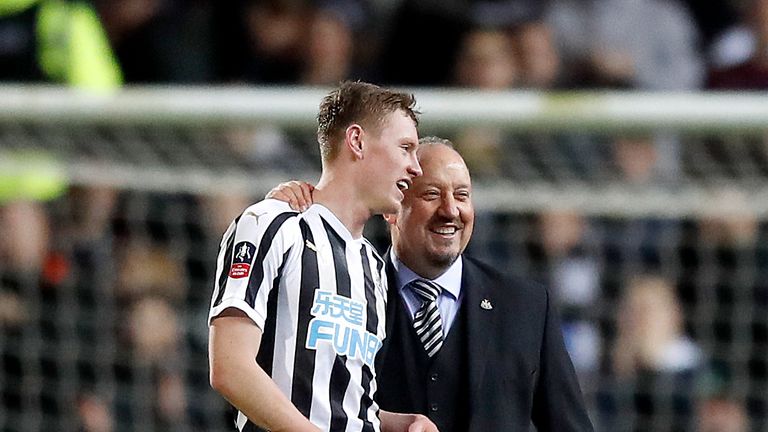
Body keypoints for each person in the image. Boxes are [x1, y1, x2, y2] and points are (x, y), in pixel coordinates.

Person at [269, 136, 594, 431]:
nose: (450, 210)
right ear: (392, 209)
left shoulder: (526, 307)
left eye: (462, 195)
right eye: (432, 194)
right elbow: (307, 406)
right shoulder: (347, 293)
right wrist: (286, 210)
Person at [207, 81, 436, 432]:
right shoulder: (272, 224)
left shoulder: (373, 265)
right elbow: (229, 367)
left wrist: (401, 424)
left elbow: (344, 401)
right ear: (357, 141)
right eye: (405, 148)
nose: (415, 168)